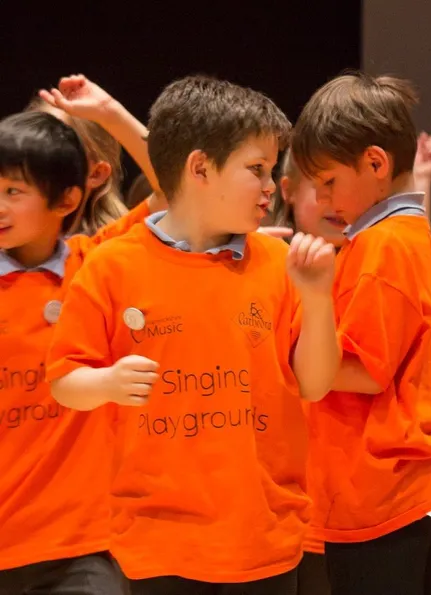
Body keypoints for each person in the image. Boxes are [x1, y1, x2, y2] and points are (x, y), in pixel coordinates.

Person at [45, 75, 340, 595]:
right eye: (257, 169)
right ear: (200, 168)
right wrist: (106, 382)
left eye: (272, 170)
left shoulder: (278, 262)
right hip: (158, 543)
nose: (271, 186)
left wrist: (317, 299)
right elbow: (64, 381)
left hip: (264, 536)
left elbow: (314, 385)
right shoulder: (112, 265)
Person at [290, 72, 431, 595]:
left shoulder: (385, 243)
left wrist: (279, 356)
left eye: (329, 182)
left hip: (379, 496)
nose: (322, 199)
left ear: (377, 164)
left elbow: (364, 370)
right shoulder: (385, 237)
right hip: (371, 496)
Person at [0, 110, 160, 595]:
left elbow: (172, 186)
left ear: (67, 199)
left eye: (13, 191)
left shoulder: (93, 263)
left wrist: (106, 112)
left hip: (80, 545)